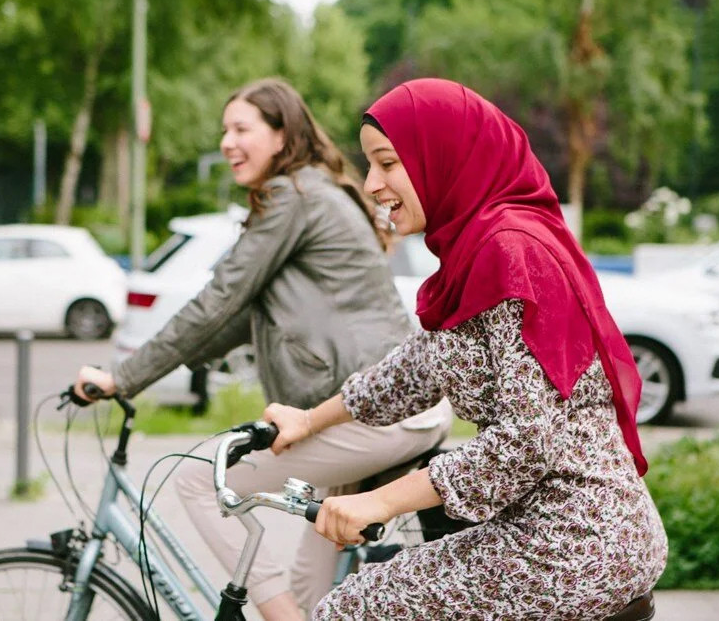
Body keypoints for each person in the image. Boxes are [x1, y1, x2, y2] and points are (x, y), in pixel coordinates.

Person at [265, 78, 669, 619]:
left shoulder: (510, 252)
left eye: (387, 163)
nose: (371, 183)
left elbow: (528, 440)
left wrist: (381, 499)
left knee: (356, 605)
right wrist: (309, 420)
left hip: (574, 540)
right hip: (557, 530)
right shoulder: (475, 251)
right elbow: (415, 369)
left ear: (443, 156)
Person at [73, 78, 453, 620]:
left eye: (241, 129)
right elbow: (238, 319)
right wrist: (167, 365)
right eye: (224, 130)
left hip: (374, 414)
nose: (228, 142)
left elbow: (217, 301)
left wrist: (124, 377)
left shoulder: (292, 196)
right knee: (307, 586)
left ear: (280, 136)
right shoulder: (312, 191)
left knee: (197, 479)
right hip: (381, 409)